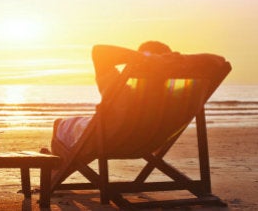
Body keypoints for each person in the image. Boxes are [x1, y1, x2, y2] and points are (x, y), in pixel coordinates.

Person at [42, 41, 173, 153]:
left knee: (60, 124)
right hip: (148, 143)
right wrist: (165, 62)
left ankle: (56, 166)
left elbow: (99, 51)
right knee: (79, 124)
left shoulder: (122, 91)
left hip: (109, 138)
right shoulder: (172, 97)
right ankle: (59, 161)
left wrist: (142, 59)